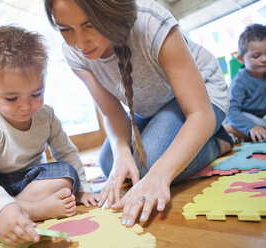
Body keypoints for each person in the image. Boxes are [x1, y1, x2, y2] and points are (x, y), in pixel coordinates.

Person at [44, 0, 234, 228]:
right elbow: (113, 115)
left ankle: (220, 141)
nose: (80, 42)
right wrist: (122, 153)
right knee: (110, 163)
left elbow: (199, 114)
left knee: (150, 165)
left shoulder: (150, 21)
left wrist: (159, 176)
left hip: (203, 96)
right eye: (65, 29)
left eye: (90, 25)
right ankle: (176, 139)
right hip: (151, 106)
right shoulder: (74, 53)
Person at [0, 25, 98, 245]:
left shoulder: (47, 116)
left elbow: (66, 151)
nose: (26, 106)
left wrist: (83, 190)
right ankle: (30, 211)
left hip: (32, 181)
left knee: (68, 175)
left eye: (36, 93)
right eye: (12, 99)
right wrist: (2, 206)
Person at [223, 23, 266, 143]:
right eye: (256, 56)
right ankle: (226, 130)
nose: (264, 59)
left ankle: (239, 134)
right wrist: (251, 126)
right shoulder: (239, 82)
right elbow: (230, 111)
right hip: (236, 118)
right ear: (241, 59)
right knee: (259, 125)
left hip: (257, 119)